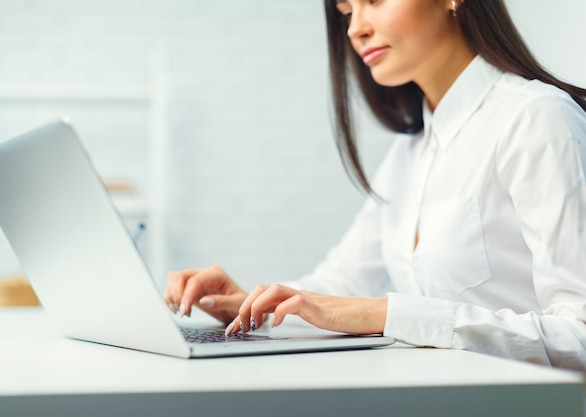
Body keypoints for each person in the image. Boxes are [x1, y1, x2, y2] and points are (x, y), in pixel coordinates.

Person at [164, 0, 586, 371]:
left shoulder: (537, 119)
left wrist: (389, 314)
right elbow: (343, 283)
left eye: (375, 0)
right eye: (347, 10)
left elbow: (579, 334)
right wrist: (253, 307)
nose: (355, 28)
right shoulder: (410, 153)